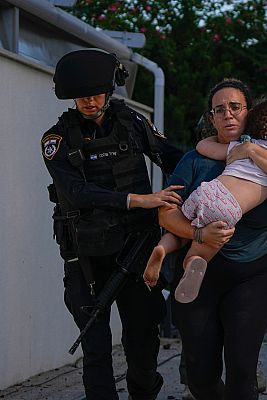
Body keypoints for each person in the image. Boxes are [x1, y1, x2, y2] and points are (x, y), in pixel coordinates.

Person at [42, 49, 184, 400]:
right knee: (96, 347)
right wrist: (140, 200)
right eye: (82, 94)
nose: (89, 101)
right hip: (86, 257)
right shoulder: (55, 139)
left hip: (137, 251)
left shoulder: (132, 123)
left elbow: (174, 159)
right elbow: (76, 193)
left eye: (96, 92)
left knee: (142, 345)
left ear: (110, 90)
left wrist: (224, 162)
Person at [157, 78, 267, 399]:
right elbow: (167, 215)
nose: (228, 114)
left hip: (252, 274)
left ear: (249, 113)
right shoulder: (194, 160)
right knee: (199, 376)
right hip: (202, 278)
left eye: (235, 107)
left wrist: (251, 149)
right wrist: (199, 233)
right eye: (219, 110)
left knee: (242, 372)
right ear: (211, 118)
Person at [143, 97, 267, 303]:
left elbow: (203, 147)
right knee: (203, 248)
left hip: (208, 191)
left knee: (182, 229)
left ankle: (162, 248)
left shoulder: (243, 144)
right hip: (229, 208)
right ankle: (193, 262)